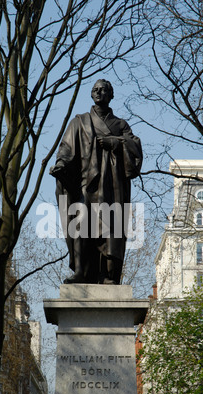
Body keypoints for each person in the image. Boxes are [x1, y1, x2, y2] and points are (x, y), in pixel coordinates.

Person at [50, 79, 143, 284]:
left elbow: (134, 149)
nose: (100, 92)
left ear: (111, 95)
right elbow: (66, 149)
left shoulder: (120, 125)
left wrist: (116, 143)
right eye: (96, 90)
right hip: (85, 185)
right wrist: (61, 165)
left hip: (112, 188)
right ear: (91, 94)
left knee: (110, 229)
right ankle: (81, 271)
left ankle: (108, 275)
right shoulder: (79, 122)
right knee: (81, 225)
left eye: (104, 90)